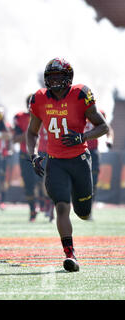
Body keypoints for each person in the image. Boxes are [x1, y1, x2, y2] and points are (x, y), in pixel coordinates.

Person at [26, 57, 109, 272]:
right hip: (55, 162)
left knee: (82, 211)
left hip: (80, 160)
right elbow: (32, 132)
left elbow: (103, 127)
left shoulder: (80, 95)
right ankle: (70, 254)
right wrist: (33, 155)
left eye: (58, 77)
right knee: (62, 206)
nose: (54, 81)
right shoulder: (39, 99)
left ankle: (82, 211)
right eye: (51, 77)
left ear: (68, 78)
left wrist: (82, 137)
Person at [13, 94, 39, 221]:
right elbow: (15, 139)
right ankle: (32, 209)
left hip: (43, 154)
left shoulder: (46, 115)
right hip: (26, 155)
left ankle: (48, 207)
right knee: (29, 185)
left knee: (45, 183)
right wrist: (30, 132)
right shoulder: (20, 117)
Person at [84, 109, 114, 219]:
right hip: (77, 151)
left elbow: (108, 129)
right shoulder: (74, 108)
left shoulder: (97, 112)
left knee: (93, 181)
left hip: (92, 151)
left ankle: (89, 210)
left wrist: (109, 139)